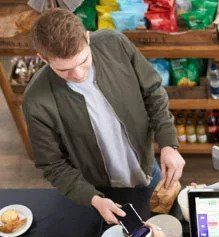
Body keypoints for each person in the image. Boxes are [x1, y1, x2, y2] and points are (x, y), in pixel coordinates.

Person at [23, 9, 185, 224]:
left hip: (146, 167)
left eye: (83, 61)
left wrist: (168, 143)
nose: (78, 74)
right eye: (65, 70)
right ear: (42, 58)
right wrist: (93, 199)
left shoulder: (114, 43)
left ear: (88, 38)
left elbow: (153, 92)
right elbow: (53, 165)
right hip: (98, 189)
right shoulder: (36, 101)